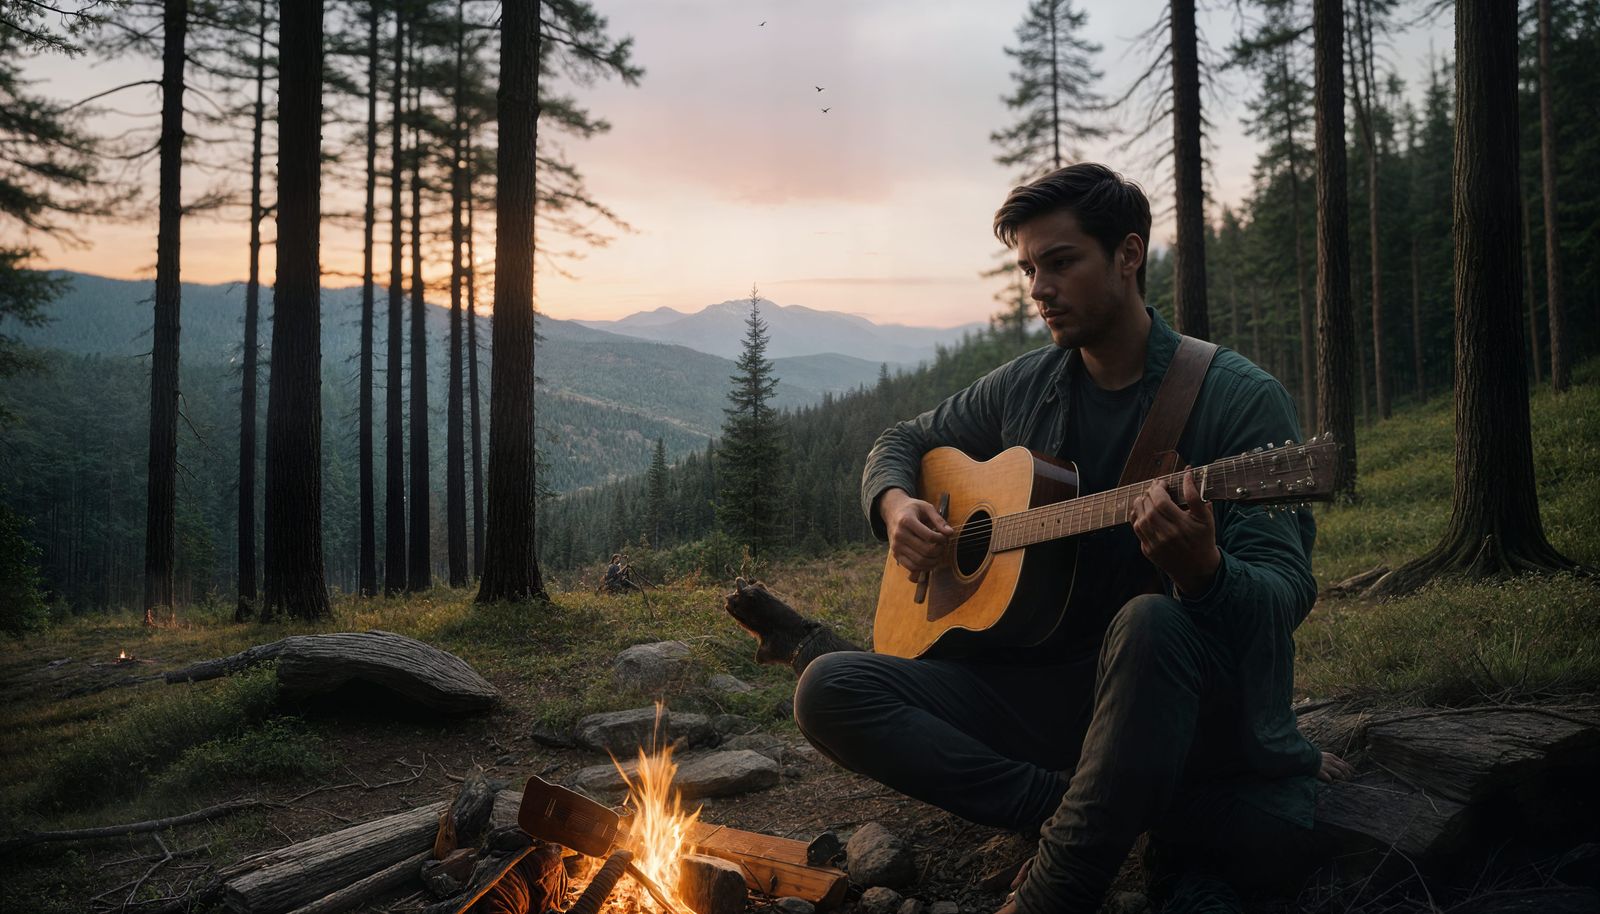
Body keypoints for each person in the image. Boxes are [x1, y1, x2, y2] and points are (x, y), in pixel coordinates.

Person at [754, 164, 1349, 913]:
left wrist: (1206, 572)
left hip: (1178, 704)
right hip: (1043, 697)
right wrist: (897, 505)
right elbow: (901, 440)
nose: (1039, 288)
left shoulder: (1237, 397)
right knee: (830, 688)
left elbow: (1285, 594)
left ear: (1128, 256)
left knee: (1151, 620)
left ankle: (1065, 875)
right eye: (1029, 268)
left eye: (1061, 262)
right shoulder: (1027, 384)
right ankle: (1068, 807)